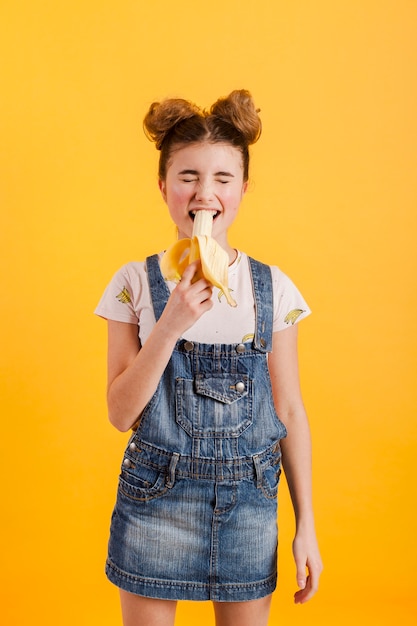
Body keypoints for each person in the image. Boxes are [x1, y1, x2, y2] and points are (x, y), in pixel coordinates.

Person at [95, 89, 323, 626]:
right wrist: (170, 325)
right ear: (163, 186)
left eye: (222, 178)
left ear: (243, 189)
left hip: (249, 506)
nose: (204, 193)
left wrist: (306, 524)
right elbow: (120, 413)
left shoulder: (273, 288)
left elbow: (289, 411)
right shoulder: (134, 283)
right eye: (188, 176)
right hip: (155, 502)